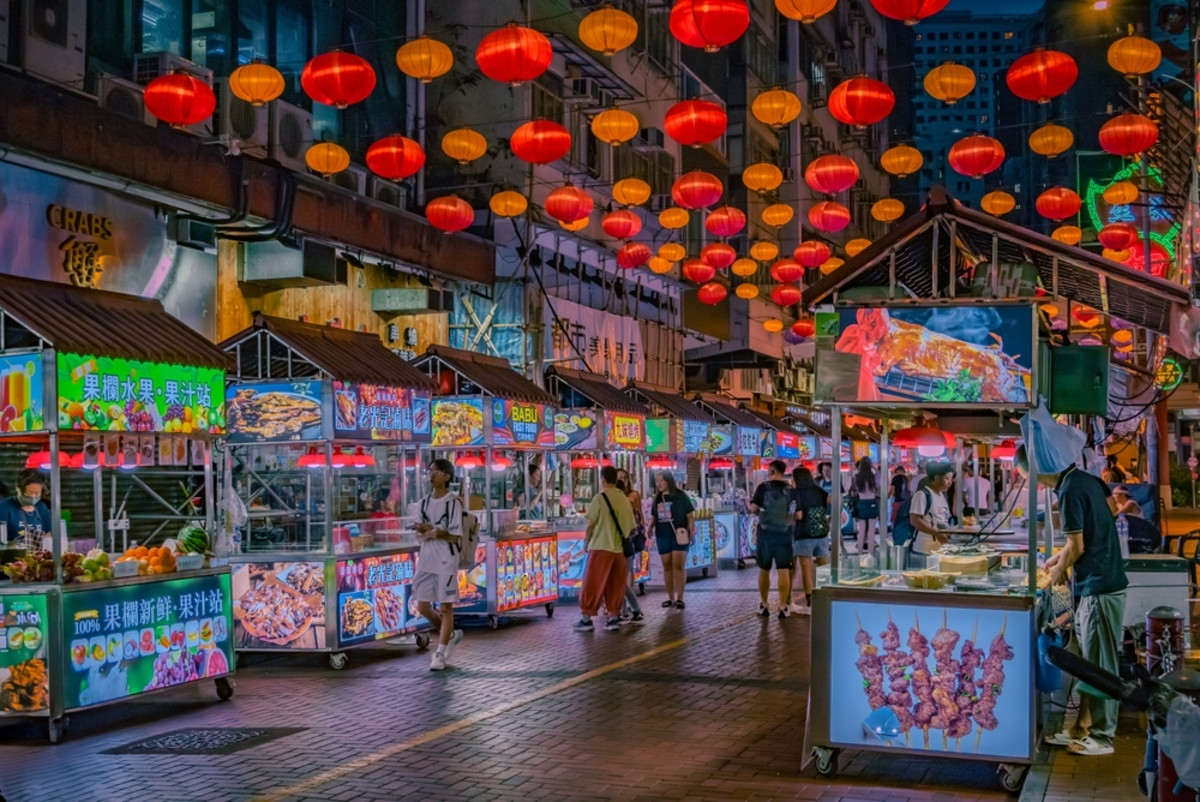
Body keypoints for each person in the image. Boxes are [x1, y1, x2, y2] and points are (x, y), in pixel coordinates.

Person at [1021, 445, 1128, 758]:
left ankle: (1103, 736)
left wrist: (1057, 573)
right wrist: (1059, 559)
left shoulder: (1068, 490)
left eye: (1031, 478)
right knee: (1087, 662)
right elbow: (1100, 520)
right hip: (1100, 580)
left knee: (1101, 665)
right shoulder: (1086, 479)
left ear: (1040, 467)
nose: (1035, 485)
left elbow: (1078, 546)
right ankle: (1082, 725)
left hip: (1099, 586)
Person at [413, 459, 464, 672]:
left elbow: (454, 536)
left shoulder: (453, 503)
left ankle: (441, 653)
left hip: (445, 561)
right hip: (426, 560)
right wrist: (425, 532)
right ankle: (450, 634)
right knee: (422, 606)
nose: (430, 475)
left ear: (446, 476)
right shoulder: (423, 503)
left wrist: (432, 531)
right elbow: (418, 533)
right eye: (429, 471)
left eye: (435, 472)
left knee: (445, 606)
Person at [575, 465, 637, 633]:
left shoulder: (600, 499)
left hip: (600, 548)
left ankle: (586, 619)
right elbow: (632, 526)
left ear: (603, 479)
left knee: (592, 584)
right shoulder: (625, 499)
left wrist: (586, 541)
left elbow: (590, 524)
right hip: (619, 551)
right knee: (615, 584)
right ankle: (613, 619)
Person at [749, 460, 795, 620]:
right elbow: (796, 513)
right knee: (783, 570)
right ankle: (783, 606)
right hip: (785, 533)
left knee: (764, 569)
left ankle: (764, 604)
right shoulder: (790, 490)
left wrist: (756, 510)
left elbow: (754, 508)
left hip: (766, 534)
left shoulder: (763, 487)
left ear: (772, 471)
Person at [650, 472, 694, 609]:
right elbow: (654, 516)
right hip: (662, 533)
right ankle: (670, 597)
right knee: (667, 565)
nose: (659, 483)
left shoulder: (680, 495)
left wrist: (691, 531)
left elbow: (690, 516)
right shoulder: (657, 498)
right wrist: (650, 528)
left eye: (661, 480)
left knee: (678, 565)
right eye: (657, 481)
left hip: (679, 533)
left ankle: (680, 597)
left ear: (668, 481)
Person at [790, 465, 829, 615]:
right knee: (823, 567)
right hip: (821, 533)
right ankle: (825, 597)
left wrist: (790, 516)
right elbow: (829, 504)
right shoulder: (818, 490)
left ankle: (811, 603)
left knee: (806, 569)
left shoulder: (795, 493)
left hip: (804, 534)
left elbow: (798, 515)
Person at [908, 462, 955, 568]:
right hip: (923, 552)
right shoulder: (922, 495)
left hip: (938, 551)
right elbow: (914, 520)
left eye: (951, 479)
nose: (950, 482)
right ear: (936, 478)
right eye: (947, 479)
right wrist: (937, 533)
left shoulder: (941, 495)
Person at [615, 474, 645, 625]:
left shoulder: (629, 499)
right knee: (620, 580)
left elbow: (637, 520)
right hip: (620, 545)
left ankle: (626, 609)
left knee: (621, 579)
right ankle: (625, 609)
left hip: (623, 545)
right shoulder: (621, 502)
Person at [0, 469, 52, 548]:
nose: (33, 496)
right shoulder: (4, 507)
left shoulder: (41, 507)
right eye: (28, 493)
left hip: (37, 557)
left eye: (37, 493)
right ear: (18, 489)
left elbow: (47, 535)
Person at [851, 457, 879, 554]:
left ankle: (860, 553)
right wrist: (875, 469)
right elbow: (879, 486)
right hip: (872, 502)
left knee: (861, 530)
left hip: (861, 503)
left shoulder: (856, 477)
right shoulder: (873, 476)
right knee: (871, 531)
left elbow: (853, 491)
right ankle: (870, 552)